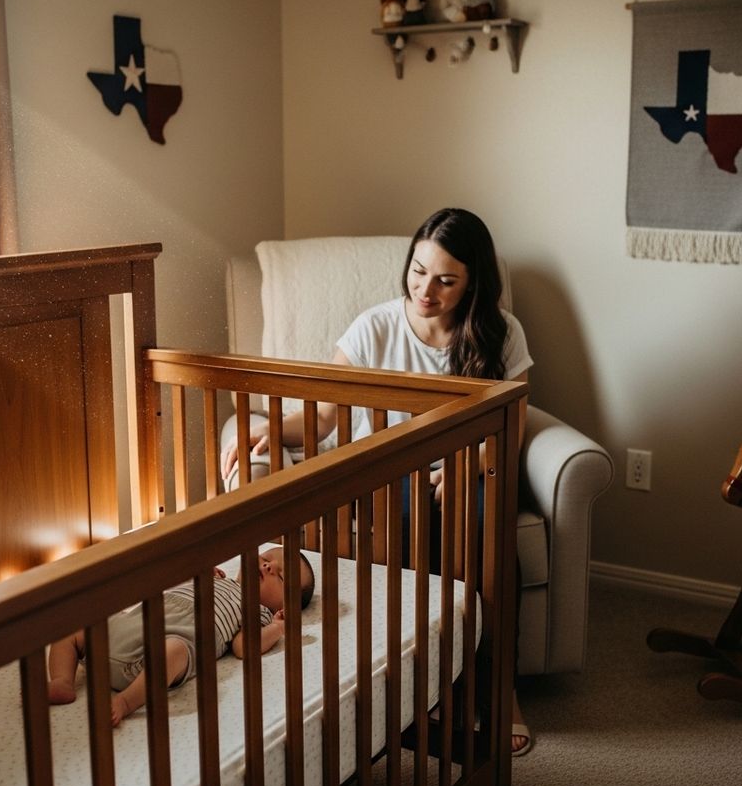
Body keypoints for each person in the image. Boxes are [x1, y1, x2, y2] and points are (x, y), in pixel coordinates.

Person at [219, 207, 534, 756]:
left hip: (468, 467)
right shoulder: (376, 326)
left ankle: (497, 691)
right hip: (393, 472)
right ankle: (438, 687)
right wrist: (271, 428)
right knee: (406, 507)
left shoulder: (501, 333)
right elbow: (322, 419)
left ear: (473, 282)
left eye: (445, 280)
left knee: (488, 529)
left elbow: (514, 425)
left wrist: (466, 462)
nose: (425, 290)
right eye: (418, 271)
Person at [47, 546, 316, 726]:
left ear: (282, 606)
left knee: (174, 651)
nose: (268, 567)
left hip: (147, 659)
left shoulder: (258, 612)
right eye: (266, 559)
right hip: (123, 632)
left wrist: (278, 629)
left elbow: (242, 647)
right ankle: (63, 681)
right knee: (74, 624)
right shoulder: (216, 579)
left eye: (280, 576)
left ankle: (127, 700)